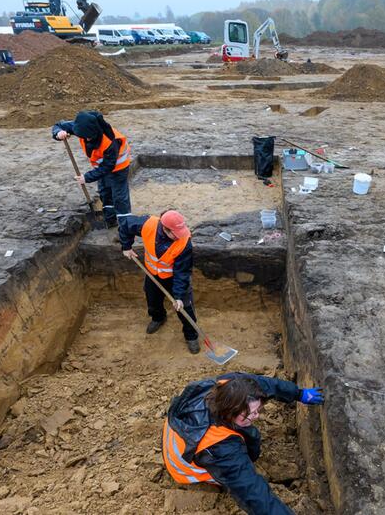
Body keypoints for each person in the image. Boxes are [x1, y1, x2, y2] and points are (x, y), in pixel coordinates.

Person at [162, 372, 324, 514]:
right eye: (249, 414)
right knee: (238, 477)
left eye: (257, 410)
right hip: (185, 466)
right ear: (229, 413)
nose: (257, 416)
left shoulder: (229, 385)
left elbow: (266, 384)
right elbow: (254, 493)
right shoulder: (219, 448)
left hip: (181, 430)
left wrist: (298, 393)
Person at [120, 210, 199, 353]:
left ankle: (191, 335)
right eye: (175, 233)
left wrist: (179, 296)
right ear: (165, 228)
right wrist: (126, 246)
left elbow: (182, 271)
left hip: (174, 277)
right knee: (152, 299)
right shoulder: (147, 224)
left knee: (185, 307)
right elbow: (125, 225)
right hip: (152, 274)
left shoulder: (184, 242)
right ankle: (158, 318)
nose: (179, 236)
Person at [52, 111, 132, 228]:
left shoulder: (110, 141)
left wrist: (87, 177)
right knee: (105, 193)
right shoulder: (80, 127)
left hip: (119, 168)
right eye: (85, 137)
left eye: (89, 137)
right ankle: (110, 221)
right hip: (101, 168)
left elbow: (108, 166)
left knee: (119, 197)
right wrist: (59, 133)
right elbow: (58, 125)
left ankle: (126, 227)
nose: (87, 139)